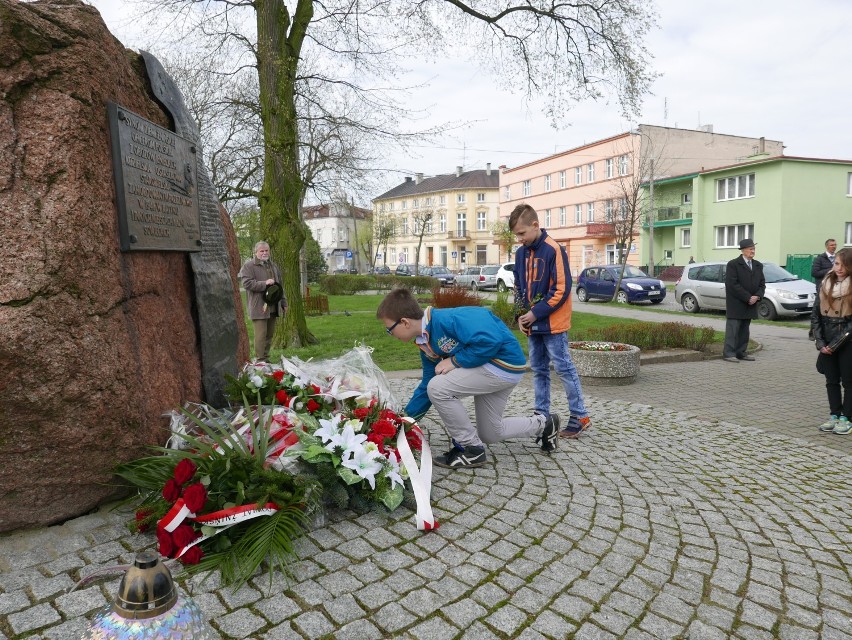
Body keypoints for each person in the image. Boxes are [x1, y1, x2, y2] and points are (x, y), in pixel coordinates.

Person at [376, 288, 559, 468]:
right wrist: (403, 422)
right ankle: (544, 425)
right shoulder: (424, 341)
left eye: (389, 330)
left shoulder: (449, 319)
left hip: (502, 365)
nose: (391, 335)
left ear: (404, 322)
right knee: (490, 433)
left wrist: (455, 361)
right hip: (493, 368)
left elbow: (490, 340)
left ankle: (470, 448)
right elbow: (425, 387)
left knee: (438, 388)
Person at [509, 203, 590, 439]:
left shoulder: (554, 249)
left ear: (535, 225)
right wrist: (520, 314)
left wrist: (536, 312)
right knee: (539, 370)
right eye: (516, 235)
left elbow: (562, 289)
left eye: (522, 234)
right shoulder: (520, 253)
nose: (519, 240)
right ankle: (541, 415)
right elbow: (518, 287)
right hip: (533, 325)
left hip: (554, 324)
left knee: (564, 368)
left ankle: (580, 415)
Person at [812, 247, 852, 435]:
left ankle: (847, 417)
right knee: (831, 380)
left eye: (844, 264)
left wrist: (834, 345)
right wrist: (820, 343)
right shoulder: (825, 283)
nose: (839, 268)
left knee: (849, 381)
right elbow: (815, 316)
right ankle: (834, 414)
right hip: (826, 340)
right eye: (837, 263)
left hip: (847, 341)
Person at [239, 241, 285, 362]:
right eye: (262, 251)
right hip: (258, 306)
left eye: (266, 250)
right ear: (256, 252)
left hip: (273, 305)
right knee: (261, 334)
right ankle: (260, 360)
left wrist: (283, 302)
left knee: (269, 334)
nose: (264, 253)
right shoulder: (249, 266)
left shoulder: (273, 266)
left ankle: (266, 358)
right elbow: (246, 283)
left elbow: (280, 286)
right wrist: (264, 284)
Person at [722, 238, 765, 362]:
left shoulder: (758, 265)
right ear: (743, 250)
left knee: (744, 330)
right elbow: (732, 285)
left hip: (751, 304)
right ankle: (729, 353)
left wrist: (757, 296)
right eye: (751, 249)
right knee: (733, 330)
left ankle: (741, 352)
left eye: (754, 249)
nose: (753, 251)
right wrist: (748, 297)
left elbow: (762, 284)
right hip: (737, 303)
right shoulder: (733, 264)